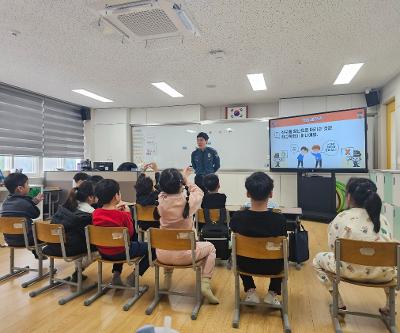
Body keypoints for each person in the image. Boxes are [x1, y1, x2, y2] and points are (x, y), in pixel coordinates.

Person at [313, 178, 395, 311]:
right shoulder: (383, 219)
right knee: (389, 263)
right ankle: (389, 306)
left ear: (349, 196)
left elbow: (333, 248)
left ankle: (337, 301)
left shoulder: (341, 217)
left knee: (317, 260)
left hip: (347, 271)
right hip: (384, 274)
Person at [154, 167, 219, 304]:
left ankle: (167, 279)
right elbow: (199, 191)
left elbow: (162, 192)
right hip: (184, 256)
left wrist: (180, 179)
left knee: (169, 240)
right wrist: (186, 180)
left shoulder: (160, 201)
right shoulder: (188, 203)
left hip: (162, 254)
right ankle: (205, 284)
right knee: (211, 248)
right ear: (180, 184)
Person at [230, 172, 286, 305]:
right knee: (282, 252)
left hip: (245, 265)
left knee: (237, 251)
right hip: (274, 267)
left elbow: (232, 230)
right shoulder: (280, 220)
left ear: (248, 194)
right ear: (271, 194)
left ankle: (250, 290)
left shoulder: (238, 217)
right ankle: (272, 293)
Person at [92, 179, 151, 286]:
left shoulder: (95, 213)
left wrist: (115, 211)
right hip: (122, 252)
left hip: (103, 252)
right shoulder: (123, 215)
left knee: (115, 241)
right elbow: (131, 233)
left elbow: (108, 216)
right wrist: (128, 215)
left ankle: (116, 275)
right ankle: (134, 276)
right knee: (153, 247)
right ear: (116, 196)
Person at [43, 181, 96, 282]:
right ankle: (79, 270)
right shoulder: (90, 213)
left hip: (52, 246)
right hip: (67, 249)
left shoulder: (66, 207)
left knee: (77, 238)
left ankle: (78, 271)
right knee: (96, 248)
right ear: (90, 197)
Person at [0, 173, 44, 253]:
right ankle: (41, 253)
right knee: (45, 231)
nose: (29, 186)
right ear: (20, 188)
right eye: (27, 184)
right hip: (27, 240)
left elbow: (21, 207)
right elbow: (36, 214)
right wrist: (33, 203)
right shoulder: (25, 203)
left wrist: (32, 202)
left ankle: (36, 252)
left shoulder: (5, 202)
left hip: (9, 240)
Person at [135, 162, 160, 230]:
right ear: (152, 188)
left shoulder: (138, 197)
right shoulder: (156, 195)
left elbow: (139, 184)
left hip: (143, 225)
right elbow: (160, 187)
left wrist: (143, 172)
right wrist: (156, 171)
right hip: (156, 225)